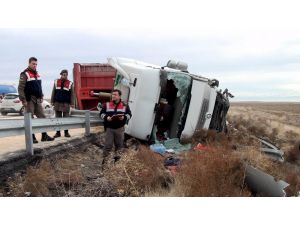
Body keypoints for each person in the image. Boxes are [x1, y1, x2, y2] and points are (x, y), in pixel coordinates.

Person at [18, 57, 54, 143]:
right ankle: (32, 137)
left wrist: (41, 96)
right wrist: (23, 100)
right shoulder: (24, 74)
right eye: (33, 64)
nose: (35, 66)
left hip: (38, 100)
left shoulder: (37, 74)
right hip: (29, 100)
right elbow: (20, 88)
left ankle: (44, 136)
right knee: (30, 119)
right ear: (29, 63)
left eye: (36, 64)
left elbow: (39, 87)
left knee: (42, 117)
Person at [100, 89, 132, 164]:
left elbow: (129, 115)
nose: (113, 96)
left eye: (115, 94)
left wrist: (124, 117)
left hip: (120, 129)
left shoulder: (125, 105)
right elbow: (101, 113)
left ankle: (116, 163)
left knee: (119, 146)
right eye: (112, 94)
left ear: (119, 96)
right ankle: (104, 163)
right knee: (108, 146)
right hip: (109, 129)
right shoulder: (107, 104)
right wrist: (106, 117)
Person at [50, 69, 75, 138]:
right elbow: (53, 92)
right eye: (64, 75)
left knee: (66, 119)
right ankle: (58, 133)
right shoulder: (56, 81)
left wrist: (72, 103)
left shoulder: (70, 83)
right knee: (58, 119)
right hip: (57, 103)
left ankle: (66, 133)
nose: (65, 76)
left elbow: (72, 94)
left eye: (66, 75)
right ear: (61, 75)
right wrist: (52, 101)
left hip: (66, 104)